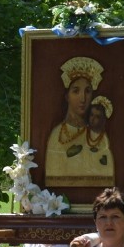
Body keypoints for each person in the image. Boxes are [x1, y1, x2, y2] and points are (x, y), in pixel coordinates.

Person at [45, 56, 108, 187]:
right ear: (67, 96)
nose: (83, 98)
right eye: (76, 91)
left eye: (88, 91)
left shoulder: (100, 138)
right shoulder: (57, 136)